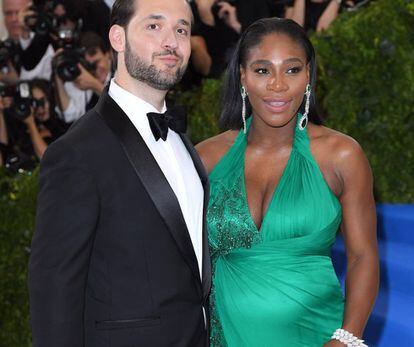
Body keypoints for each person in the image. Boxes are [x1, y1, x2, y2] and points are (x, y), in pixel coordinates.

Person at [29, 0, 211, 346]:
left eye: (182, 29)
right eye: (154, 26)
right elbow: (54, 292)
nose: (171, 41)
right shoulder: (76, 153)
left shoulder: (183, 142)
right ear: (118, 37)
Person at [196, 18, 379, 346]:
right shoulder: (206, 158)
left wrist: (347, 338)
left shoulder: (342, 155)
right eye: (263, 70)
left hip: (318, 335)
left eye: (292, 70)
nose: (278, 85)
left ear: (308, 75)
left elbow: (363, 256)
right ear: (242, 76)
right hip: (224, 335)